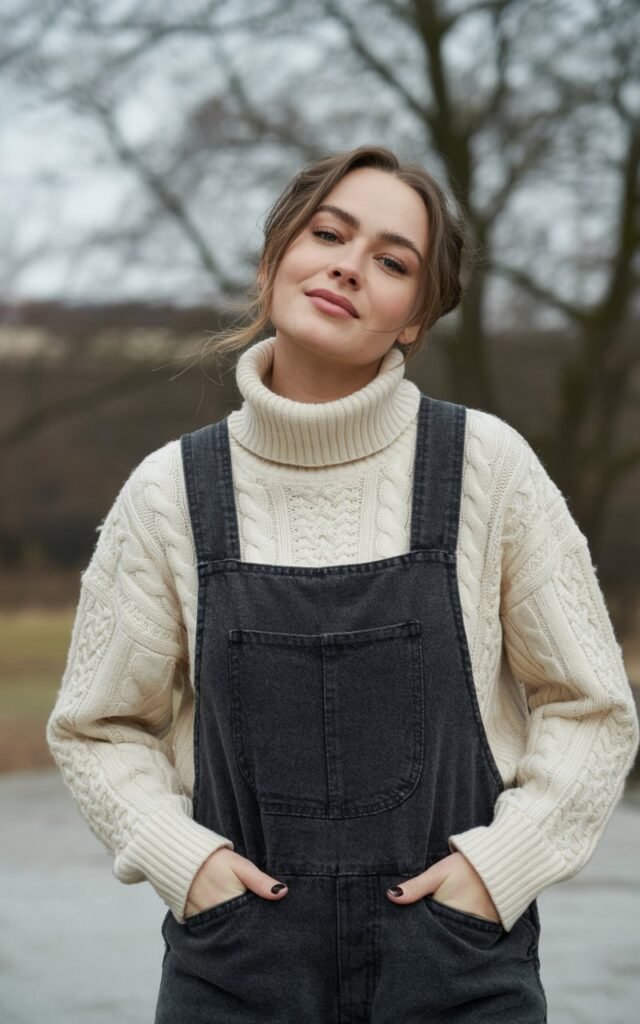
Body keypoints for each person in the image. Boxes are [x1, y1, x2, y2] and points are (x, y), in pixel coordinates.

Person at [47, 145, 639, 1023]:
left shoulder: (487, 467)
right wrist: (189, 865)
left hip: (458, 972)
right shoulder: (169, 492)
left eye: (392, 261)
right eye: (329, 233)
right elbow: (96, 729)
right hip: (236, 976)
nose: (348, 266)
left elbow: (592, 708)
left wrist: (497, 869)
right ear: (275, 257)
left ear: (415, 319)